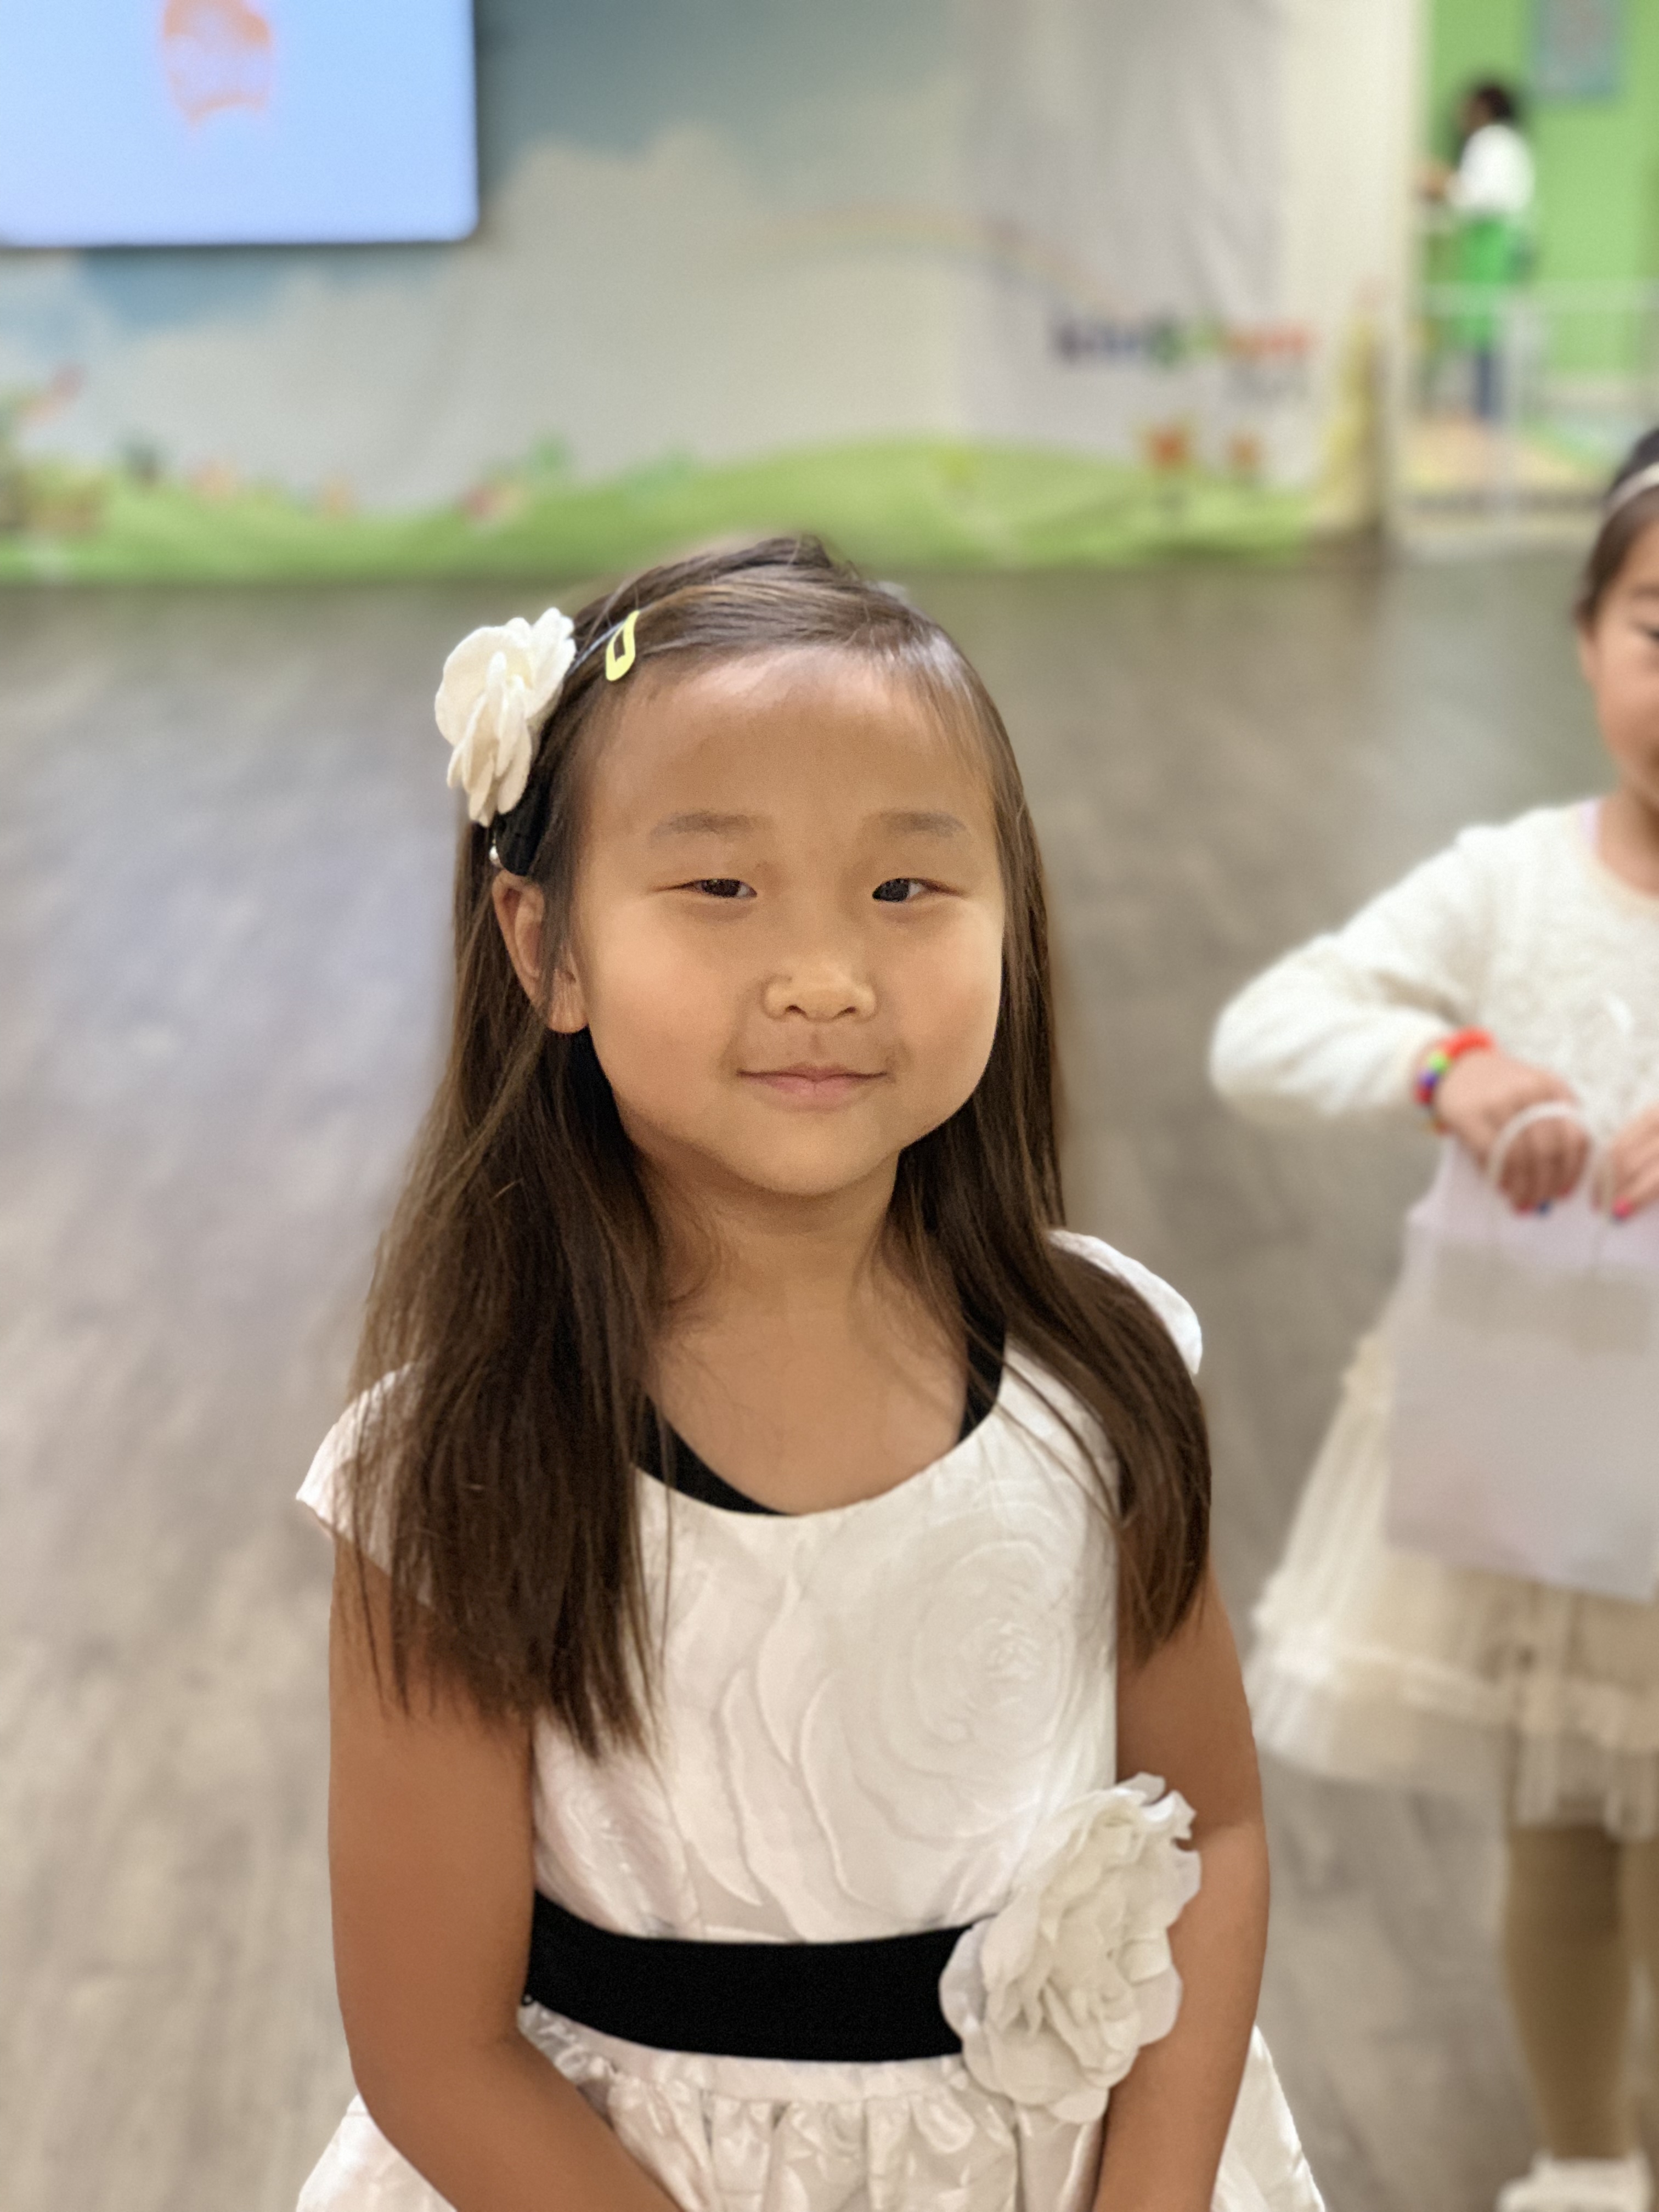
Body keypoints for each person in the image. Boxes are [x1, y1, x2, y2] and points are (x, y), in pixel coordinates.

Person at [292, 538, 1324, 2212]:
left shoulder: (1105, 1368)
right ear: (544, 946)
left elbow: (1215, 1827)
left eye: (906, 890)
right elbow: (434, 2049)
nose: (829, 977)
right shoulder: (465, 1467)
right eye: (722, 888)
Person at [1210, 434, 1659, 2212]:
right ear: (1586, 637)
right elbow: (1263, 1032)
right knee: (1560, 1829)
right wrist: (1440, 1064)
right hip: (1551, 1456)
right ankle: (1583, 2158)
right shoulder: (1510, 881)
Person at [1424, 78, 1536, 422]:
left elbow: (1483, 197)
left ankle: (1487, 413)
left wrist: (1444, 184)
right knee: (1484, 329)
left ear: (1482, 109)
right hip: (1493, 240)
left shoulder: (1492, 141)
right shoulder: (1508, 143)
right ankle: (1485, 411)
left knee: (1487, 330)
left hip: (1493, 240)